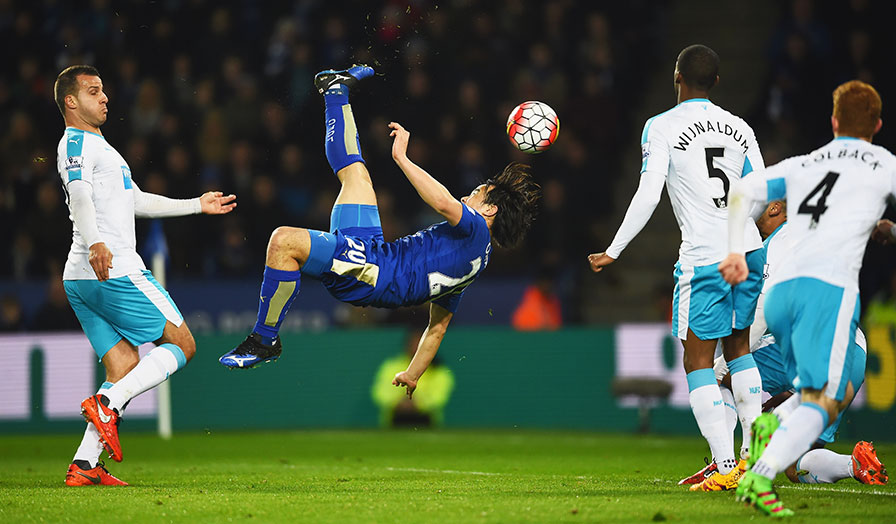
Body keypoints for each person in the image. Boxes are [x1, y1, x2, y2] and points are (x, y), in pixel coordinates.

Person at [218, 65, 540, 400]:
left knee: (283, 241)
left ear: (489, 211)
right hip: (375, 255)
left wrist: (401, 157)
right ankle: (336, 91)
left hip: (370, 273)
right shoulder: (471, 265)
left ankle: (264, 338)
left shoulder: (475, 230)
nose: (465, 197)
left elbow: (444, 202)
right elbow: (437, 328)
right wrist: (413, 374)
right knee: (356, 175)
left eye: (475, 194)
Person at [587, 45, 766, 491]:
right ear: (717, 83)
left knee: (698, 360)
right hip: (749, 249)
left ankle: (725, 469)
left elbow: (649, 193)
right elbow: (763, 191)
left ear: (677, 77)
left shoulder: (662, 126)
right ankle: (752, 458)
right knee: (740, 347)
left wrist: (615, 248)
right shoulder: (740, 127)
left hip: (705, 257)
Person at [721, 80, 896, 516]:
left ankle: (772, 434)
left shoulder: (808, 163)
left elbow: (743, 192)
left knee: (813, 403)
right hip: (827, 296)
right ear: (877, 124)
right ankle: (760, 461)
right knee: (820, 404)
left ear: (834, 121)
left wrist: (733, 252)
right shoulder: (882, 164)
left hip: (781, 296)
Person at [54, 65, 236, 486]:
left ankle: (84, 463)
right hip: (111, 266)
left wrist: (196, 205)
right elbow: (78, 193)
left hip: (80, 277)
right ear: (70, 102)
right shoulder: (76, 142)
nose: (104, 98)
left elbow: (134, 200)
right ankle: (107, 404)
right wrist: (97, 240)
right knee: (183, 344)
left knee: (123, 363)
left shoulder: (102, 148)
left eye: (103, 90)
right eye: (93, 91)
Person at [681, 201, 886, 488]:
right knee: (795, 463)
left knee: (718, 377)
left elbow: (762, 313)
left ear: (776, 208)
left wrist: (728, 361)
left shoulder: (780, 242)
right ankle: (854, 464)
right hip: (853, 352)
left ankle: (724, 467)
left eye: (756, 206)